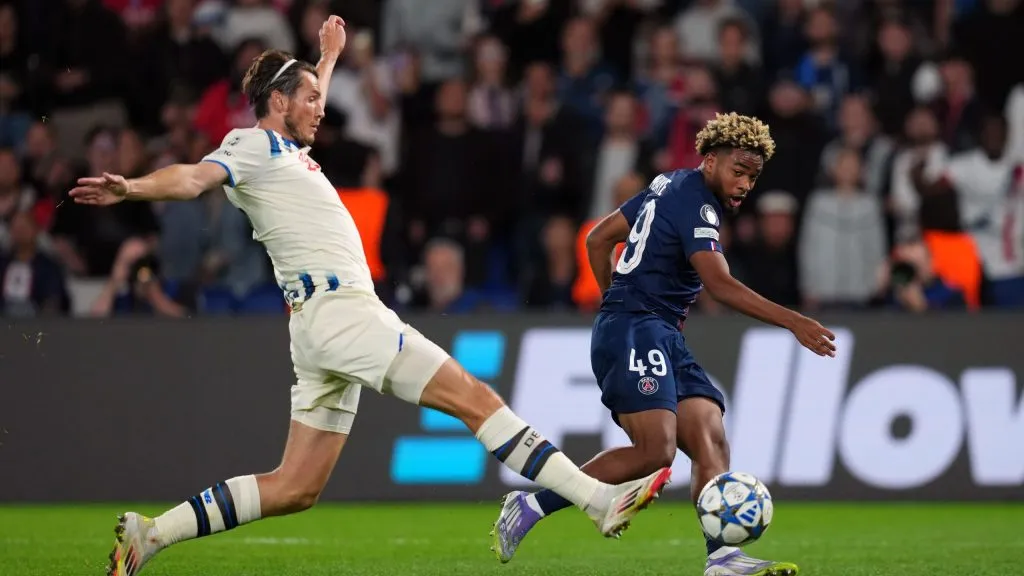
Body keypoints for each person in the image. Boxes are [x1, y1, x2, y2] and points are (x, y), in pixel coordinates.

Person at [70, 16, 671, 576]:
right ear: (278, 104)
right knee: (473, 397)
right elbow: (194, 177)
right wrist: (133, 187)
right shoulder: (249, 146)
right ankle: (595, 500)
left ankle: (151, 534)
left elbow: (304, 100)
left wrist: (327, 58)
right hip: (341, 313)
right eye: (308, 99)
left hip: (318, 321)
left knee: (295, 488)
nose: (320, 109)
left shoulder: (286, 152)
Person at [491, 113, 837, 576]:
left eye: (753, 176)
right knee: (656, 451)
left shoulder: (668, 183)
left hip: (655, 329)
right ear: (711, 161)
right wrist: (794, 322)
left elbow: (598, 240)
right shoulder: (697, 204)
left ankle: (722, 559)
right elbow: (720, 286)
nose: (744, 184)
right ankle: (533, 505)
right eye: (738, 170)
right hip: (636, 327)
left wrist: (612, 294)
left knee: (710, 433)